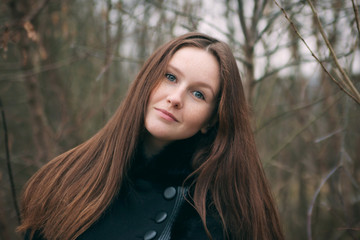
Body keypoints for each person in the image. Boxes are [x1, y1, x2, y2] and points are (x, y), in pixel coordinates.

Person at [18, 32, 284, 240]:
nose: (175, 98)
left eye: (198, 94)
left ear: (211, 120)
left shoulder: (218, 213)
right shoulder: (64, 178)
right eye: (170, 77)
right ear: (147, 80)